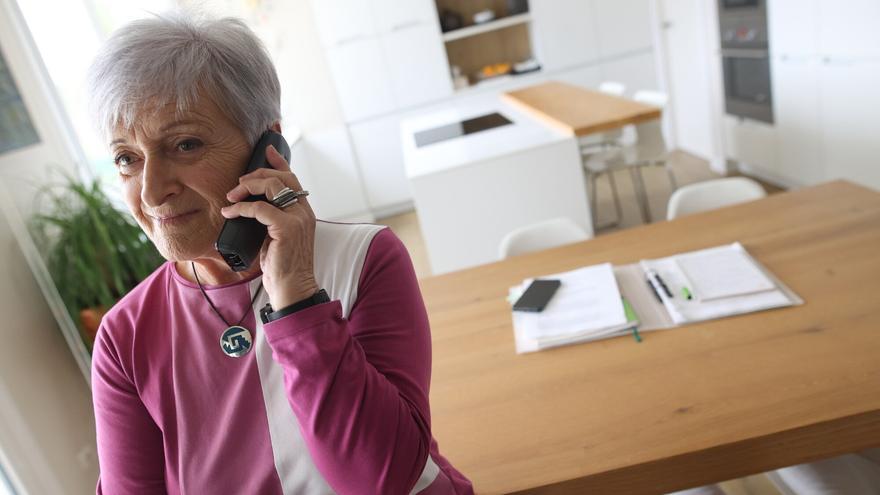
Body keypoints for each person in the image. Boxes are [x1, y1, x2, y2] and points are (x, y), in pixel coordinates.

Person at [87, 11, 473, 494]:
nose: (151, 191)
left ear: (267, 146)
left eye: (185, 144)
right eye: (127, 158)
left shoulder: (365, 258)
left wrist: (298, 301)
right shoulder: (124, 336)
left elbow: (383, 480)